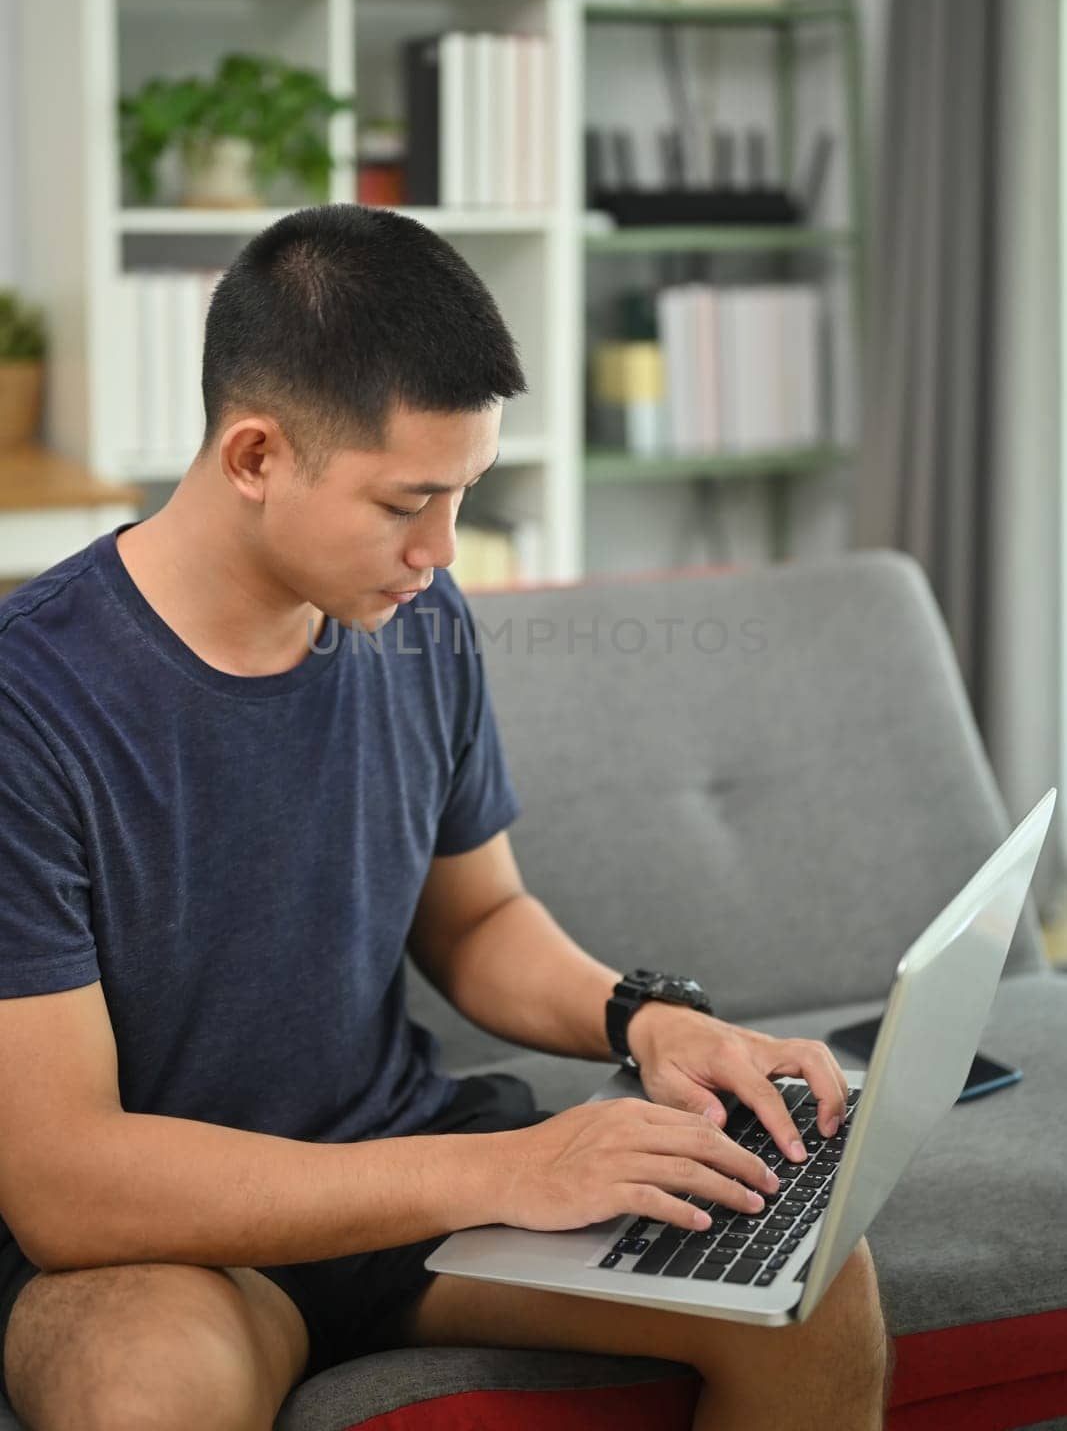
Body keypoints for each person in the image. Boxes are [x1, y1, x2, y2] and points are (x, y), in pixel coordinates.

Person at [0, 204, 891, 1431]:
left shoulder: (415, 621)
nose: (441, 548)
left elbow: (477, 921)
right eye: (405, 500)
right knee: (144, 1392)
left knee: (809, 1286)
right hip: (172, 1247)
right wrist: (508, 1168)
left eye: (465, 493)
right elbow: (65, 1184)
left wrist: (642, 1020)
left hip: (413, 1188)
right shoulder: (30, 705)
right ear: (254, 456)